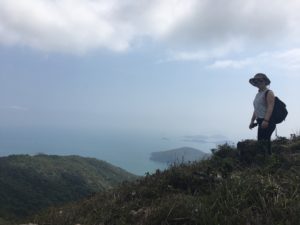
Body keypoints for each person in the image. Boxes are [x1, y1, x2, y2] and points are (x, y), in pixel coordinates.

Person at [249, 73, 276, 155]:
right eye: (256, 81)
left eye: (260, 80)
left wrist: (266, 120)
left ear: (265, 81)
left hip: (268, 121)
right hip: (261, 121)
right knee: (262, 142)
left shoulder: (269, 92)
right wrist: (252, 121)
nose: (258, 82)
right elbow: (256, 109)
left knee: (264, 142)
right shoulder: (258, 94)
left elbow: (270, 107)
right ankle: (267, 161)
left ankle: (268, 161)